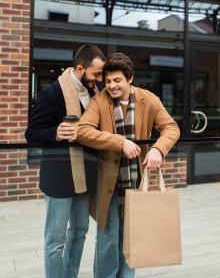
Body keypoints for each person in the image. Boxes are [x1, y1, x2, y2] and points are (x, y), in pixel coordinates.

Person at [76, 52, 180, 278]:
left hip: (137, 182)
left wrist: (158, 149)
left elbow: (171, 128)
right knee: (108, 238)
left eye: (117, 80)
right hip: (108, 184)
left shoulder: (149, 99)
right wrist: (120, 142)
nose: (111, 86)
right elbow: (82, 131)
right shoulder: (99, 100)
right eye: (108, 80)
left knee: (133, 236)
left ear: (130, 79)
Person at [25, 44, 106, 278]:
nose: (100, 79)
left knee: (80, 232)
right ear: (80, 68)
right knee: (55, 239)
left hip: (86, 175)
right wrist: (55, 133)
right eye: (96, 74)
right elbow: (32, 133)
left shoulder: (94, 94)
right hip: (59, 179)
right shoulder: (51, 93)